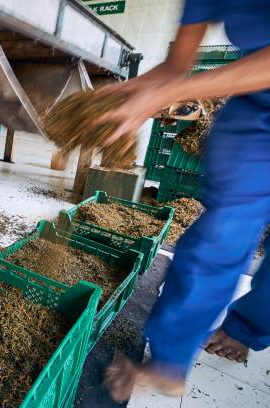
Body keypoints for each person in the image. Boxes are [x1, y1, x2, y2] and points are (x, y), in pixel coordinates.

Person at [97, 0, 270, 402]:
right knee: (222, 232)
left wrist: (178, 90)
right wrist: (135, 92)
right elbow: (177, 66)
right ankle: (170, 363)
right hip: (257, 110)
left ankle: (248, 327)